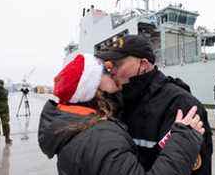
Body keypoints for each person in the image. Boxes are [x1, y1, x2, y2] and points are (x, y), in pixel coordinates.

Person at [38, 53, 204, 175]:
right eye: (107, 71)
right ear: (93, 87)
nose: (115, 75)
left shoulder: (76, 126)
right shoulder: (100, 138)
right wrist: (184, 139)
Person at [96, 35, 213, 175]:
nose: (111, 70)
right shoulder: (117, 100)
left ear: (143, 64)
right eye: (110, 64)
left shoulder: (181, 105)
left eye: (117, 64)